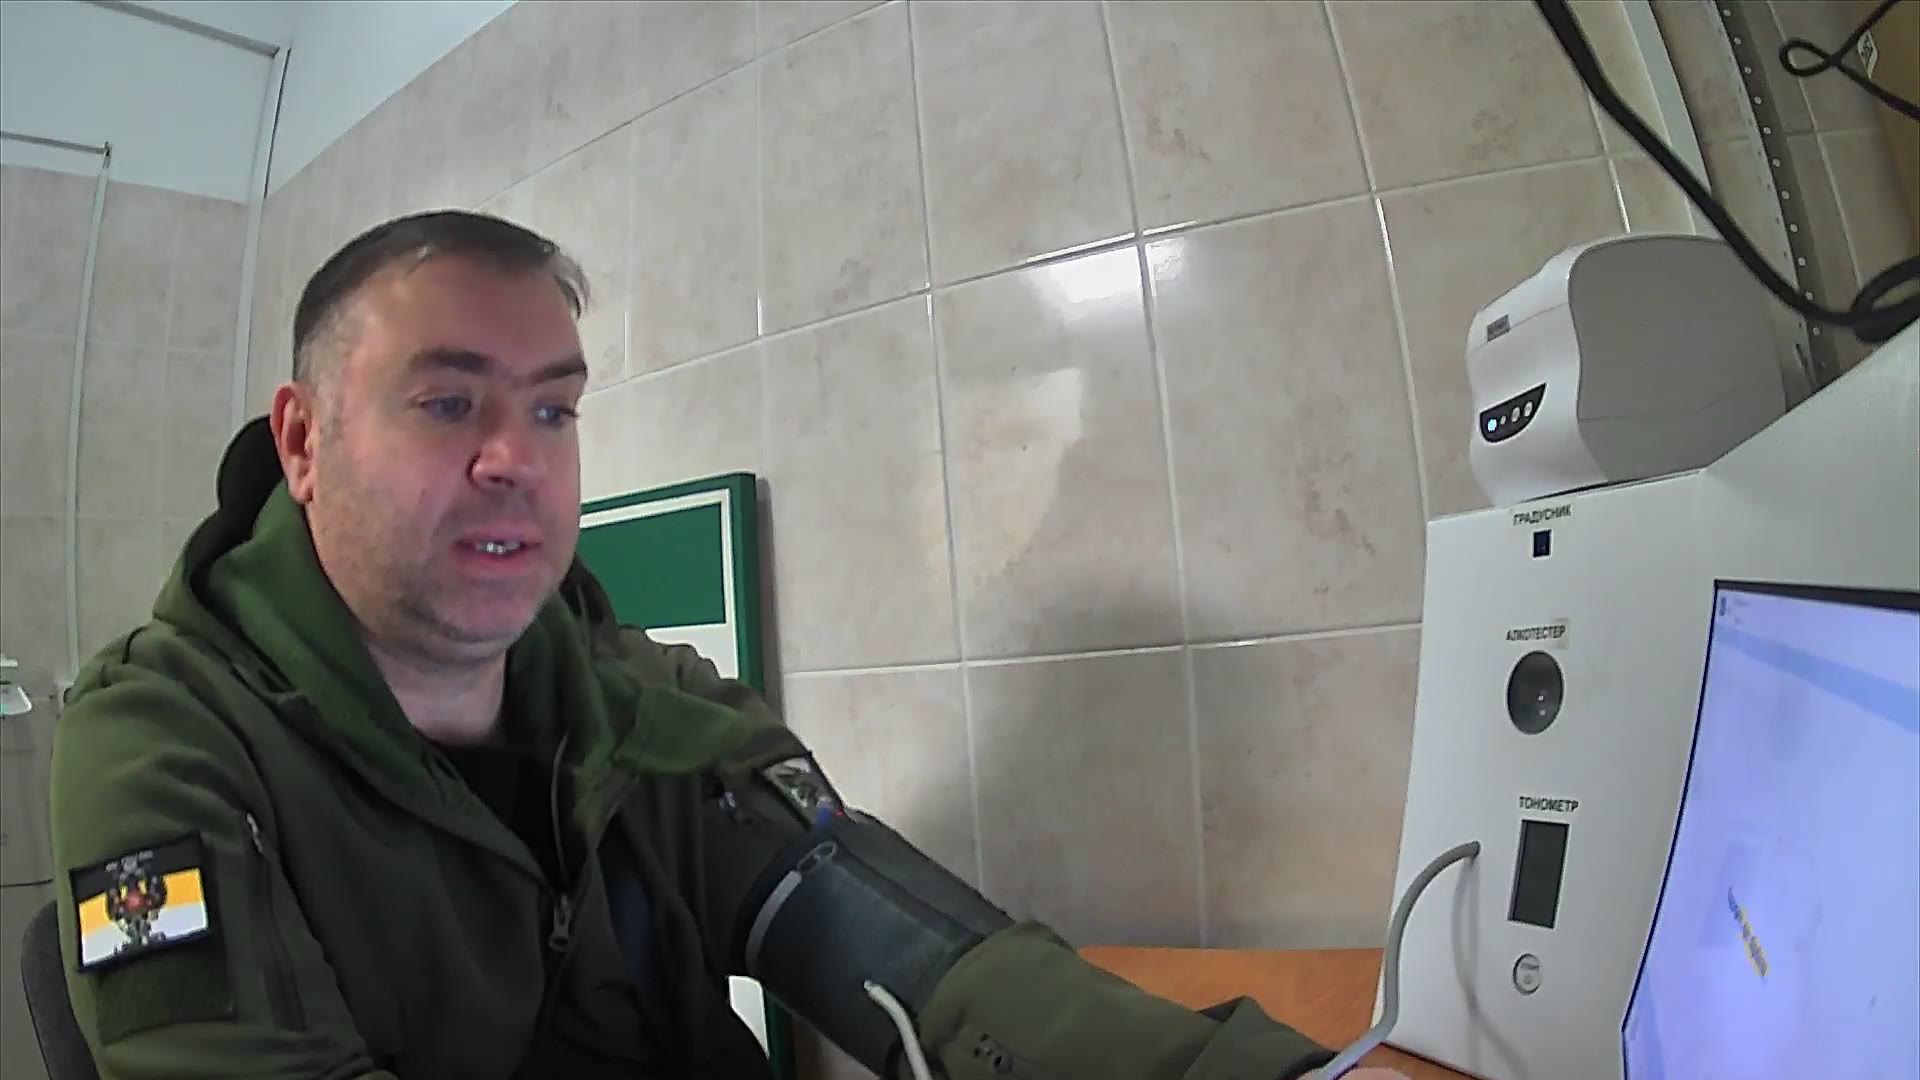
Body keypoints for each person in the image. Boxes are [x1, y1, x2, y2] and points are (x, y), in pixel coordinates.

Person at [48, 210, 1409, 1080]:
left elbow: (916, 957)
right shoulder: (160, 740)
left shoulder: (636, 701)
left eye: (555, 411)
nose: (517, 460)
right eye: (449, 402)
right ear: (303, 441)